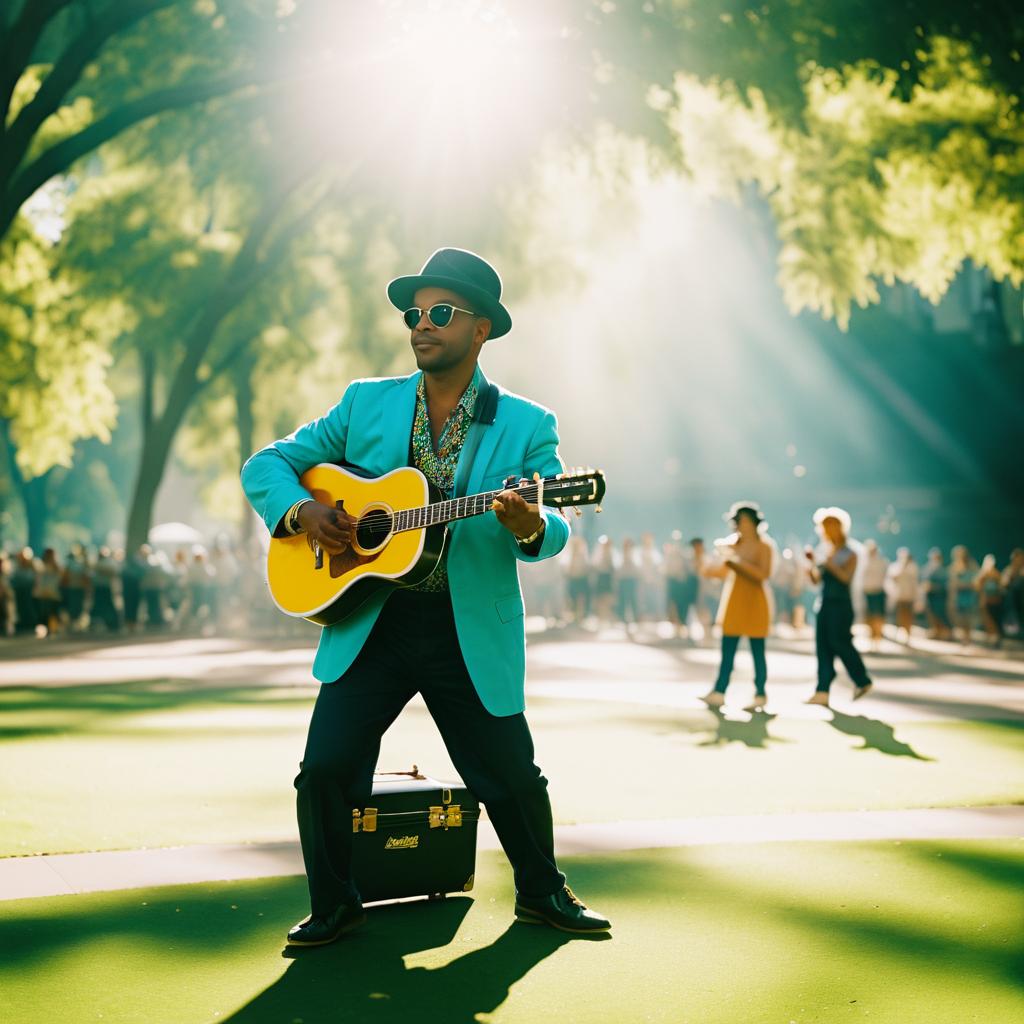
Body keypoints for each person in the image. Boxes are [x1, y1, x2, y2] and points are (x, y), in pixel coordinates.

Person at [240, 246, 610, 946]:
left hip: (464, 624)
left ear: (481, 330)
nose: (420, 325)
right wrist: (302, 513)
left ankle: (541, 892)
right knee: (323, 768)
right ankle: (335, 903)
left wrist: (533, 524)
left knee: (509, 774)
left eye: (440, 313)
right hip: (373, 620)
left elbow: (556, 527)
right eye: (415, 313)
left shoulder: (527, 423)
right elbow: (269, 463)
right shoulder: (364, 402)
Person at [700, 502, 775, 711]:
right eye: (738, 521)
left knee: (757, 652)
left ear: (754, 523)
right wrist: (704, 564)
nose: (741, 525)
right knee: (727, 651)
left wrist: (737, 563)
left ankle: (760, 693)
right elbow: (721, 572)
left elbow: (763, 574)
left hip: (755, 602)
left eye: (744, 521)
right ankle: (719, 691)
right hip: (734, 601)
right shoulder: (732, 545)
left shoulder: (764, 546)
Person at [805, 507, 873, 707]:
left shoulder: (850, 552)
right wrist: (810, 566)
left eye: (831, 525)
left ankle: (862, 680)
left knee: (839, 642)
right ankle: (822, 690)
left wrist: (829, 563)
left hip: (841, 605)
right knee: (822, 647)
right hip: (824, 603)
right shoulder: (825, 551)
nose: (828, 530)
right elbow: (816, 581)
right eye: (825, 526)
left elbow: (845, 578)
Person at [885, 547, 919, 644]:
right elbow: (893, 579)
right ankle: (897, 635)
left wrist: (917, 597)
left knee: (908, 617)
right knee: (898, 617)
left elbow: (915, 583)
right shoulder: (894, 566)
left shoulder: (913, 567)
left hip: (909, 597)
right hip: (898, 596)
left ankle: (908, 636)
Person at [859, 539, 888, 646]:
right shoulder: (864, 562)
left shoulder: (882, 562)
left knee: (878, 614)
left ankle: (877, 635)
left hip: (878, 591)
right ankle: (872, 636)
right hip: (867, 592)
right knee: (869, 615)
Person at [921, 547, 951, 640]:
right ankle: (935, 631)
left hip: (939, 597)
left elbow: (945, 585)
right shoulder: (927, 568)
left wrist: (933, 587)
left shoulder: (942, 570)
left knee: (940, 614)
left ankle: (945, 631)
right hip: (930, 596)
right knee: (931, 614)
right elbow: (923, 581)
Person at [975, 554, 1005, 646]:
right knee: (988, 621)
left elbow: (1001, 586)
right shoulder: (982, 575)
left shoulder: (996, 574)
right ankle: (991, 637)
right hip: (986, 602)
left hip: (996, 602)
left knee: (995, 620)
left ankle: (996, 638)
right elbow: (977, 587)